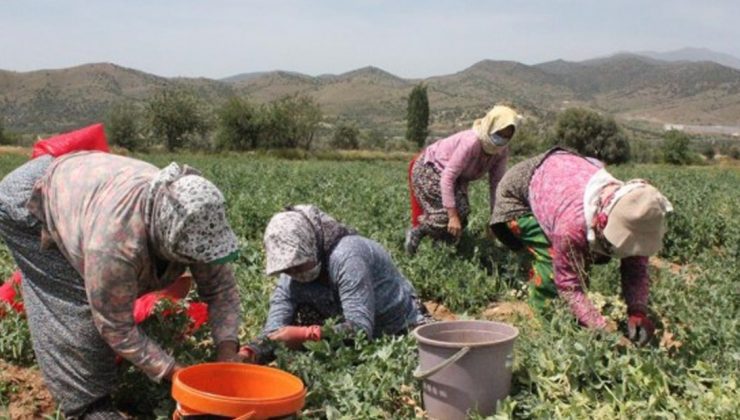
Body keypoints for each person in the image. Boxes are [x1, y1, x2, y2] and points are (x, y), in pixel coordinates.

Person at [0, 151, 243, 419]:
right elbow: (115, 326)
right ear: (163, 239)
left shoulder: (197, 219)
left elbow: (221, 289)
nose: (197, 262)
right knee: (74, 310)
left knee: (100, 302)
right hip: (28, 202)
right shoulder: (115, 246)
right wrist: (174, 373)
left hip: (83, 188)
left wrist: (227, 351)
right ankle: (87, 405)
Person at [489, 148, 673, 345]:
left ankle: (574, 318)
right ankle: (548, 327)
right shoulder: (571, 227)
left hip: (559, 177)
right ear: (602, 222)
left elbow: (636, 266)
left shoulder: (634, 213)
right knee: (551, 261)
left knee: (577, 261)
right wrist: (601, 328)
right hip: (517, 193)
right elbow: (569, 285)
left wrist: (637, 311)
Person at [241, 205, 428, 363]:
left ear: (310, 246)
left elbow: (360, 328)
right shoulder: (289, 274)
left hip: (394, 326)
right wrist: (251, 352)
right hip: (342, 322)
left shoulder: (347, 256)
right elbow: (274, 331)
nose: (294, 273)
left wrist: (307, 335)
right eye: (288, 269)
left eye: (298, 264)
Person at [405, 104, 518, 255]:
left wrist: (495, 220)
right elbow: (448, 177)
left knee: (463, 212)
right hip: (430, 169)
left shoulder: (500, 151)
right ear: (491, 126)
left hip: (455, 178)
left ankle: (441, 249)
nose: (501, 140)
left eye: (506, 136)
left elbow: (496, 185)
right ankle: (417, 232)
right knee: (445, 215)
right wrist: (452, 216)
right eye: (499, 133)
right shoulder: (472, 142)